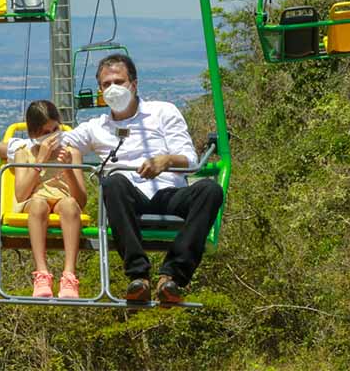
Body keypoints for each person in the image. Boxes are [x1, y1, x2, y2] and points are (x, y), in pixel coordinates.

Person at [62, 54, 224, 306]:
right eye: (107, 84)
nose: (113, 89)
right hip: (128, 196)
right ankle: (139, 275)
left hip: (167, 192)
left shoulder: (162, 112)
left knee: (210, 191)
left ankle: (172, 276)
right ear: (100, 91)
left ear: (134, 85)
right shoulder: (96, 127)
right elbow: (50, 143)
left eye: (119, 81)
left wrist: (166, 161)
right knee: (113, 182)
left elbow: (190, 159)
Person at [13, 100, 87, 299]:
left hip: (63, 200)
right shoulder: (23, 154)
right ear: (34, 134)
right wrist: (40, 161)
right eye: (47, 132)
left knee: (70, 205)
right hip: (35, 200)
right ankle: (42, 273)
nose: (53, 136)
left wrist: (68, 170)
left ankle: (69, 274)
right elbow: (21, 194)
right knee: (39, 205)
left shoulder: (72, 153)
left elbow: (81, 200)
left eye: (56, 129)